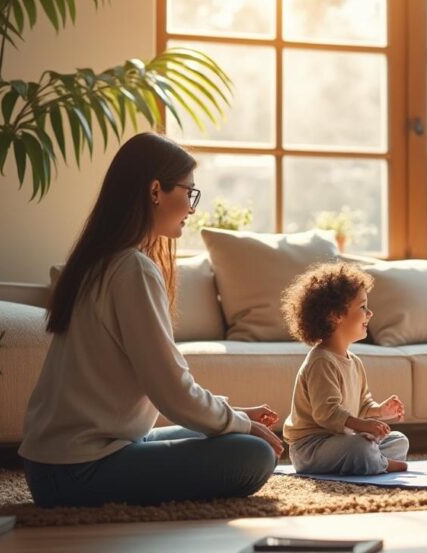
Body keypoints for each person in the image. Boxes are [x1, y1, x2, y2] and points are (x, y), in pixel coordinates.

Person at [19, 132, 283, 507]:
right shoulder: (132, 268)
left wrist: (234, 415)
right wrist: (239, 423)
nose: (192, 208)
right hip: (77, 470)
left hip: (60, 464)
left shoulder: (98, 261)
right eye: (189, 192)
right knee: (253, 454)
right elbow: (171, 390)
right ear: (156, 190)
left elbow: (169, 389)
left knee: (234, 437)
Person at [280, 263, 408, 475]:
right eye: (362, 307)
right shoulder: (321, 361)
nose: (370, 313)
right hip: (311, 448)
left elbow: (362, 405)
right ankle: (381, 463)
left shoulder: (354, 362)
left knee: (398, 440)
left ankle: (374, 460)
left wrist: (379, 411)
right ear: (335, 315)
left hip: (340, 440)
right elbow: (327, 414)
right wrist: (363, 426)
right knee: (359, 447)